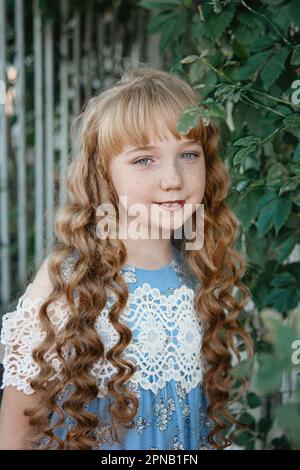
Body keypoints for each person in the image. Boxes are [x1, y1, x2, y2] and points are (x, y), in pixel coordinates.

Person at [0, 67, 253, 450]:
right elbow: (16, 438)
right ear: (103, 174)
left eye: (188, 154)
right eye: (144, 160)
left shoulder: (204, 278)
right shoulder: (65, 288)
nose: (173, 179)